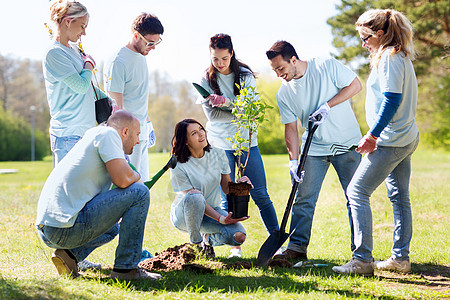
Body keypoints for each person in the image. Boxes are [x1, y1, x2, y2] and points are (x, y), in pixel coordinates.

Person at [333, 9, 420, 276]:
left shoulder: (390, 58)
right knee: (399, 196)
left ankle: (361, 261)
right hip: (405, 137)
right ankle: (400, 259)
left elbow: (392, 100)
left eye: (365, 37)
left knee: (356, 192)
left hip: (391, 140)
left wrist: (372, 135)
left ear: (380, 34)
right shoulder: (399, 55)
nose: (363, 43)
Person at [36, 110, 161, 281]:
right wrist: (138, 176)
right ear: (125, 132)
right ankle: (126, 270)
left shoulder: (94, 134)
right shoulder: (109, 134)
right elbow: (123, 180)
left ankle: (69, 256)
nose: (138, 141)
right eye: (137, 134)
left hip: (50, 228)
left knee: (112, 228)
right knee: (140, 192)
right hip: (62, 229)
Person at [266, 41, 362, 260]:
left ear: (293, 59)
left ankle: (361, 252)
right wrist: (293, 161)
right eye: (274, 70)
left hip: (347, 144)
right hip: (315, 148)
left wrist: (328, 105)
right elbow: (290, 129)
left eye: (280, 68)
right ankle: (297, 249)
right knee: (304, 198)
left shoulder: (325, 66)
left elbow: (356, 85)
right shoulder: (285, 93)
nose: (279, 74)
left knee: (355, 198)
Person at [43, 0, 113, 271]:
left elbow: (89, 89)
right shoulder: (53, 54)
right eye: (82, 26)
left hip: (85, 133)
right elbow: (80, 83)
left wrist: (109, 102)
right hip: (68, 134)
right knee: (71, 201)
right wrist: (88, 66)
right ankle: (72, 255)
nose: (84, 32)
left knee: (90, 201)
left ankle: (74, 256)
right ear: (66, 22)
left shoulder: (72, 50)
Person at [198, 34, 279, 258]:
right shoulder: (205, 79)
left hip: (246, 142)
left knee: (260, 194)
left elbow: (250, 111)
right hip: (219, 144)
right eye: (215, 59)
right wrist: (235, 108)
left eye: (224, 58)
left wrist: (225, 102)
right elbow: (213, 117)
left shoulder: (244, 75)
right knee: (228, 196)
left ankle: (276, 243)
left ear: (231, 53)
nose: (220, 64)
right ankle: (235, 246)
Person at [170, 119, 251, 258]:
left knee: (239, 236)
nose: (201, 134)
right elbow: (194, 199)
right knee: (195, 196)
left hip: (210, 212)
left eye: (201, 129)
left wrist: (241, 187)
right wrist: (220, 218)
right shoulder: (178, 164)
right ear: (186, 141)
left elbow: (226, 188)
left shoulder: (218, 154)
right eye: (194, 133)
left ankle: (206, 240)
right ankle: (196, 244)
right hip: (185, 215)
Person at [105, 12, 163, 182]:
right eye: (150, 43)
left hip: (142, 132)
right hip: (127, 137)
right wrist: (125, 141)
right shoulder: (119, 61)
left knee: (143, 186)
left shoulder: (141, 56)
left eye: (157, 42)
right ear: (136, 35)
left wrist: (147, 122)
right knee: (130, 186)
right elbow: (115, 110)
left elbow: (138, 95)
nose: (153, 47)